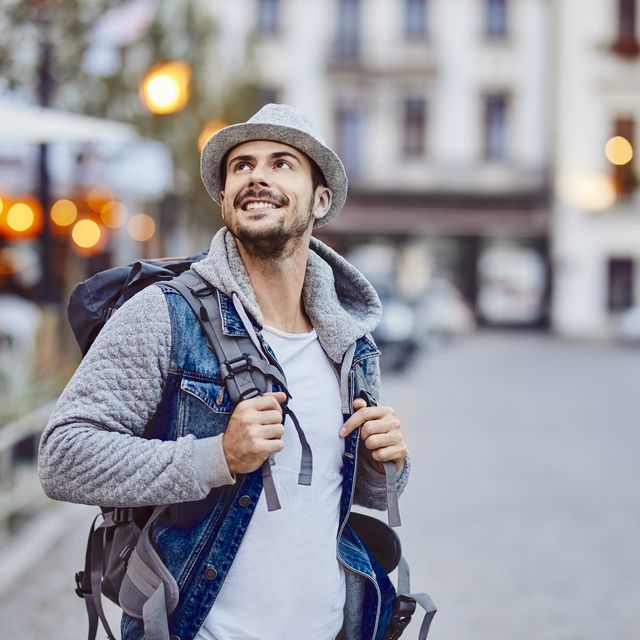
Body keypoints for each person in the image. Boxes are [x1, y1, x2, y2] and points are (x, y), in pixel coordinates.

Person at [38, 104, 410, 640]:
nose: (256, 175)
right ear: (224, 198)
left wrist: (386, 465)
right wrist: (216, 456)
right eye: (241, 166)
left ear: (320, 198)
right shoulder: (165, 313)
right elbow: (62, 457)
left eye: (281, 163)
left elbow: (350, 494)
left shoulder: (349, 341)